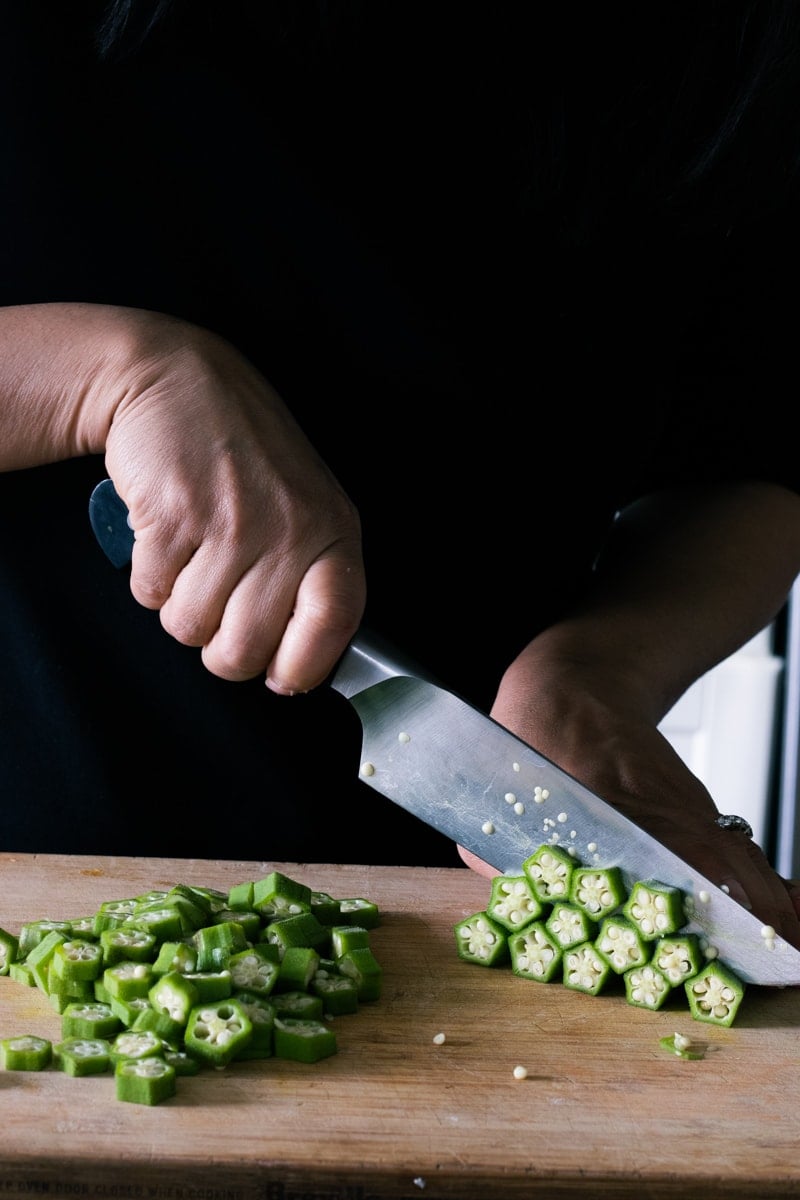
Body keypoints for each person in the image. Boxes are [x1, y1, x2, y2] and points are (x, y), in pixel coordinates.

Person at [2, 2, 800, 949]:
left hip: (448, 907)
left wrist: (599, 670)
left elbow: (748, 457)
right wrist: (105, 375)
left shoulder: (730, 44)